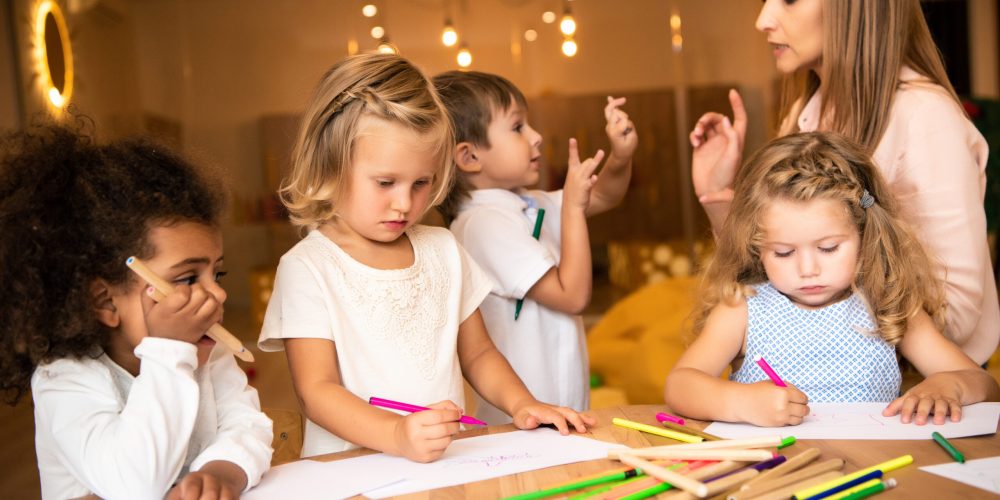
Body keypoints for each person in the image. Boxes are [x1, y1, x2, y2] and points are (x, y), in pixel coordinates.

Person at [258, 53, 595, 462]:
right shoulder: (307, 268)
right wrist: (396, 434)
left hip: (441, 466)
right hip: (351, 474)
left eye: (421, 183)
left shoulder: (443, 249)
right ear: (330, 165)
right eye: (386, 182)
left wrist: (522, 403)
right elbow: (317, 391)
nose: (404, 203)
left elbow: (479, 353)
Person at [689, 0, 999, 365]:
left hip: (911, 400)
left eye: (788, 0)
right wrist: (721, 197)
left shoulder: (925, 118)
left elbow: (956, 317)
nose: (763, 20)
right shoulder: (805, 113)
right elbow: (761, 278)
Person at [0, 121, 273, 500]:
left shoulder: (209, 352)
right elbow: (134, 485)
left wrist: (222, 472)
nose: (217, 295)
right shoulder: (64, 379)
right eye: (187, 279)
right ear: (106, 301)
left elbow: (247, 424)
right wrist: (169, 350)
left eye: (218, 272)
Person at [665, 132, 1000, 427]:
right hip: (774, 471)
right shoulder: (743, 308)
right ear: (756, 247)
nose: (808, 268)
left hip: (871, 470)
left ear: (865, 234)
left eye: (828, 248)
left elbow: (984, 384)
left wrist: (949, 386)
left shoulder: (887, 304)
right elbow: (680, 385)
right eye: (783, 253)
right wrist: (739, 402)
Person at [433, 71, 637, 424]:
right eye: (517, 128)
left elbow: (605, 194)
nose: (536, 136)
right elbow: (572, 295)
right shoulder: (483, 224)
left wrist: (620, 156)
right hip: (522, 421)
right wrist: (572, 207)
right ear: (468, 157)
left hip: (560, 408)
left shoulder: (526, 203)